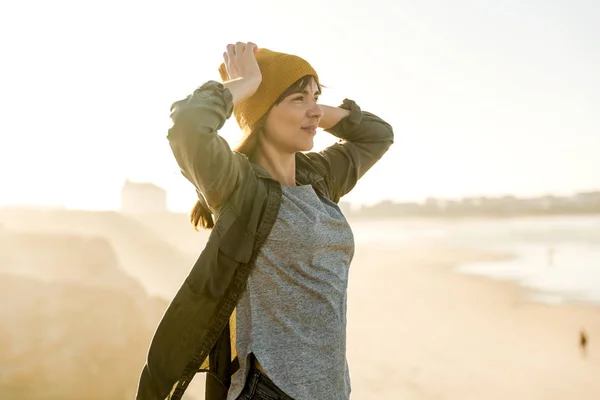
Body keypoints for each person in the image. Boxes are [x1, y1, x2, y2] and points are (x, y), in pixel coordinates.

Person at [135, 42, 394, 400]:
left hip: (332, 389)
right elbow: (189, 125)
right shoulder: (238, 186)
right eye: (297, 100)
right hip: (269, 391)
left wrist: (309, 101)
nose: (315, 112)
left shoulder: (320, 179)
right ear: (261, 112)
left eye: (315, 97)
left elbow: (378, 134)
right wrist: (250, 84)